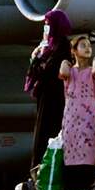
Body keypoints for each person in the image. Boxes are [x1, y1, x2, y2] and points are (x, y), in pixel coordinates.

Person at [57, 34, 95, 190]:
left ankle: (84, 189)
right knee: (71, 151)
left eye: (89, 45)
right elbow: (63, 73)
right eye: (83, 46)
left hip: (87, 118)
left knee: (86, 150)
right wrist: (64, 62)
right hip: (71, 117)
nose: (88, 48)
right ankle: (73, 189)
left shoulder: (92, 71)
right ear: (74, 51)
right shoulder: (70, 71)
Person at [25, 9, 72, 168]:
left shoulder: (62, 45)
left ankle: (46, 168)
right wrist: (36, 58)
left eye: (48, 24)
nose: (46, 27)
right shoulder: (48, 46)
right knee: (42, 132)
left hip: (55, 96)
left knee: (49, 131)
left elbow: (51, 70)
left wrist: (38, 59)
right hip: (45, 94)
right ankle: (39, 168)